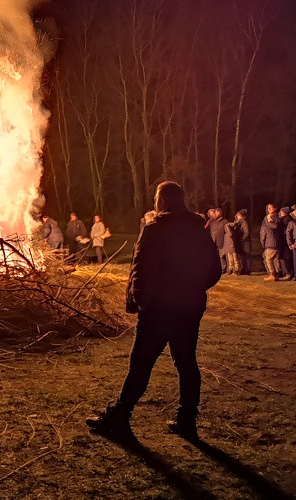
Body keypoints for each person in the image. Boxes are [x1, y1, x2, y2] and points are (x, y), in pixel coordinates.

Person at [86, 181, 221, 439]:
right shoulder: (198, 229)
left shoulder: (155, 229)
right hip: (189, 308)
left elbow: (142, 270)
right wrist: (194, 288)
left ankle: (120, 416)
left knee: (141, 364)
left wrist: (141, 302)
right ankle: (186, 420)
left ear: (162, 201)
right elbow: (215, 269)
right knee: (186, 362)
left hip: (159, 309)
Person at [260, 213, 281, 282]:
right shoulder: (277, 225)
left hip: (269, 245)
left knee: (268, 260)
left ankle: (272, 274)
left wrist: (263, 245)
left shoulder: (265, 227)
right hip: (277, 245)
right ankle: (278, 274)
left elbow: (263, 237)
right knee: (276, 259)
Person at [208, 208, 229, 273]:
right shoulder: (212, 222)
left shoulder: (224, 221)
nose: (216, 213)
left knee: (222, 256)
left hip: (221, 241)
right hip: (213, 241)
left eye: (217, 212)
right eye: (215, 212)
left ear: (220, 213)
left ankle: (224, 268)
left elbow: (228, 232)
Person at [234, 209, 251, 275]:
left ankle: (247, 269)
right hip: (241, 242)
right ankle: (244, 269)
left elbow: (246, 232)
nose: (237, 216)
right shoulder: (239, 222)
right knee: (242, 256)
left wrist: (242, 239)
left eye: (239, 215)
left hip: (245, 242)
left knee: (246, 256)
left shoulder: (244, 222)